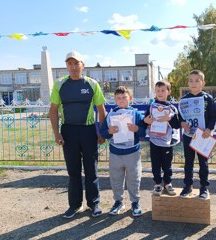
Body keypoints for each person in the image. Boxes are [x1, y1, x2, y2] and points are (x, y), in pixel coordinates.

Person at [49, 51, 106, 219]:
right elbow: (53, 111)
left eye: (77, 63)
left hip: (88, 131)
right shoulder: (60, 84)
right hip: (69, 132)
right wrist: (56, 133)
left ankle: (94, 204)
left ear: (83, 65)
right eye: (70, 63)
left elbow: (101, 110)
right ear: (67, 66)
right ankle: (74, 206)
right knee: (73, 171)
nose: (73, 67)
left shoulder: (92, 84)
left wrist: (101, 131)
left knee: (91, 170)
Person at [100, 86, 145, 217]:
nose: (121, 100)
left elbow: (143, 131)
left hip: (132, 153)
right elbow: (103, 132)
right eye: (118, 98)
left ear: (130, 99)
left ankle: (135, 202)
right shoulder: (111, 115)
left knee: (134, 178)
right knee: (116, 179)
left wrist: (137, 128)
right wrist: (109, 131)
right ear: (115, 100)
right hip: (115, 153)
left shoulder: (136, 114)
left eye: (124, 97)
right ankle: (118, 202)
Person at [178, 70, 216, 199]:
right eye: (191, 80)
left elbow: (213, 117)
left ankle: (204, 188)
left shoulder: (208, 99)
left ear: (203, 83)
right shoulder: (183, 100)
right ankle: (188, 186)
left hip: (202, 136)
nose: (193, 83)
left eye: (197, 80)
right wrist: (182, 123)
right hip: (189, 136)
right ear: (188, 83)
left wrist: (209, 129)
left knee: (203, 163)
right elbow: (180, 117)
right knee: (188, 162)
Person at [143, 81, 180, 196]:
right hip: (154, 141)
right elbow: (144, 122)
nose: (160, 93)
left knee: (167, 165)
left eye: (163, 90)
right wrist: (146, 121)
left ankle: (168, 183)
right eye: (158, 90)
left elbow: (177, 125)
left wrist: (170, 118)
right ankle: (157, 184)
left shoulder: (172, 109)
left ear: (168, 92)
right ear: (155, 92)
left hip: (167, 142)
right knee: (156, 165)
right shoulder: (151, 107)